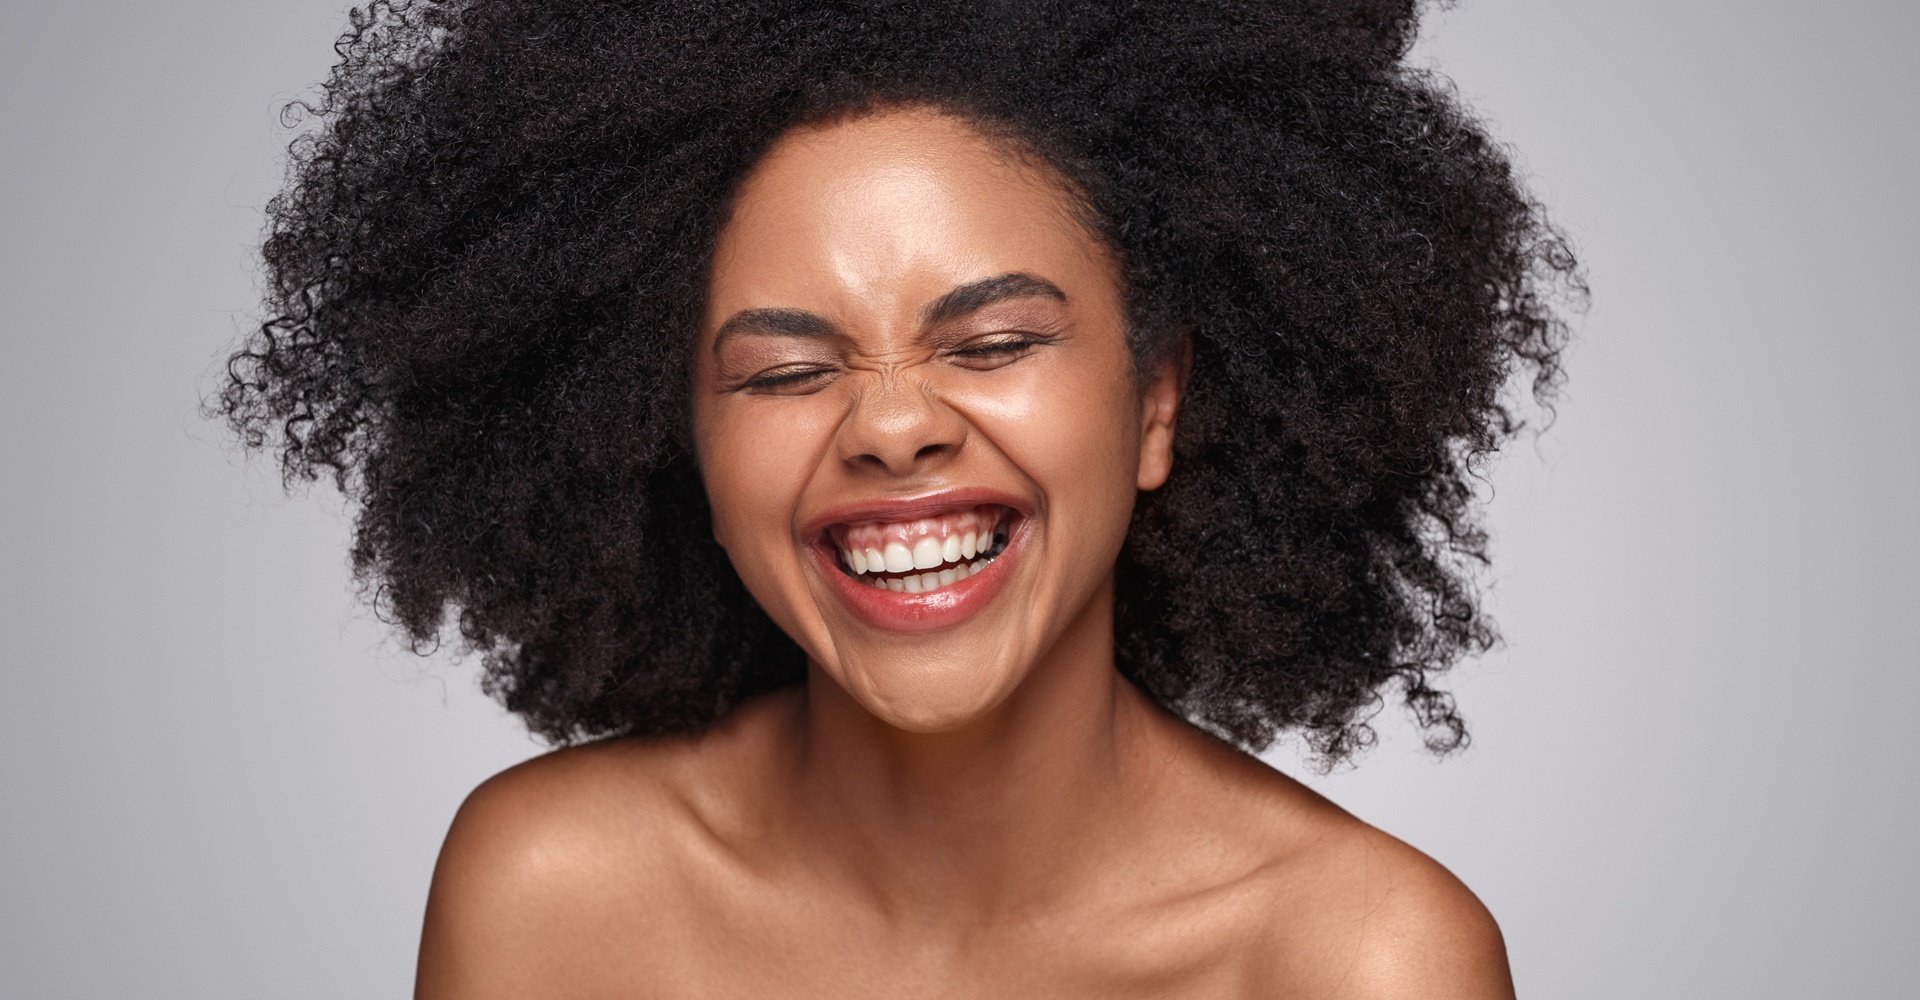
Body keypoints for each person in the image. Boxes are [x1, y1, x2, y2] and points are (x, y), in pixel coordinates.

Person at [216, 1, 1579, 994]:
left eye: (992, 345)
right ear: (676, 441)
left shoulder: (1356, 962)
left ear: (1155, 401)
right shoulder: (553, 897)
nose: (892, 427)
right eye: (784, 371)